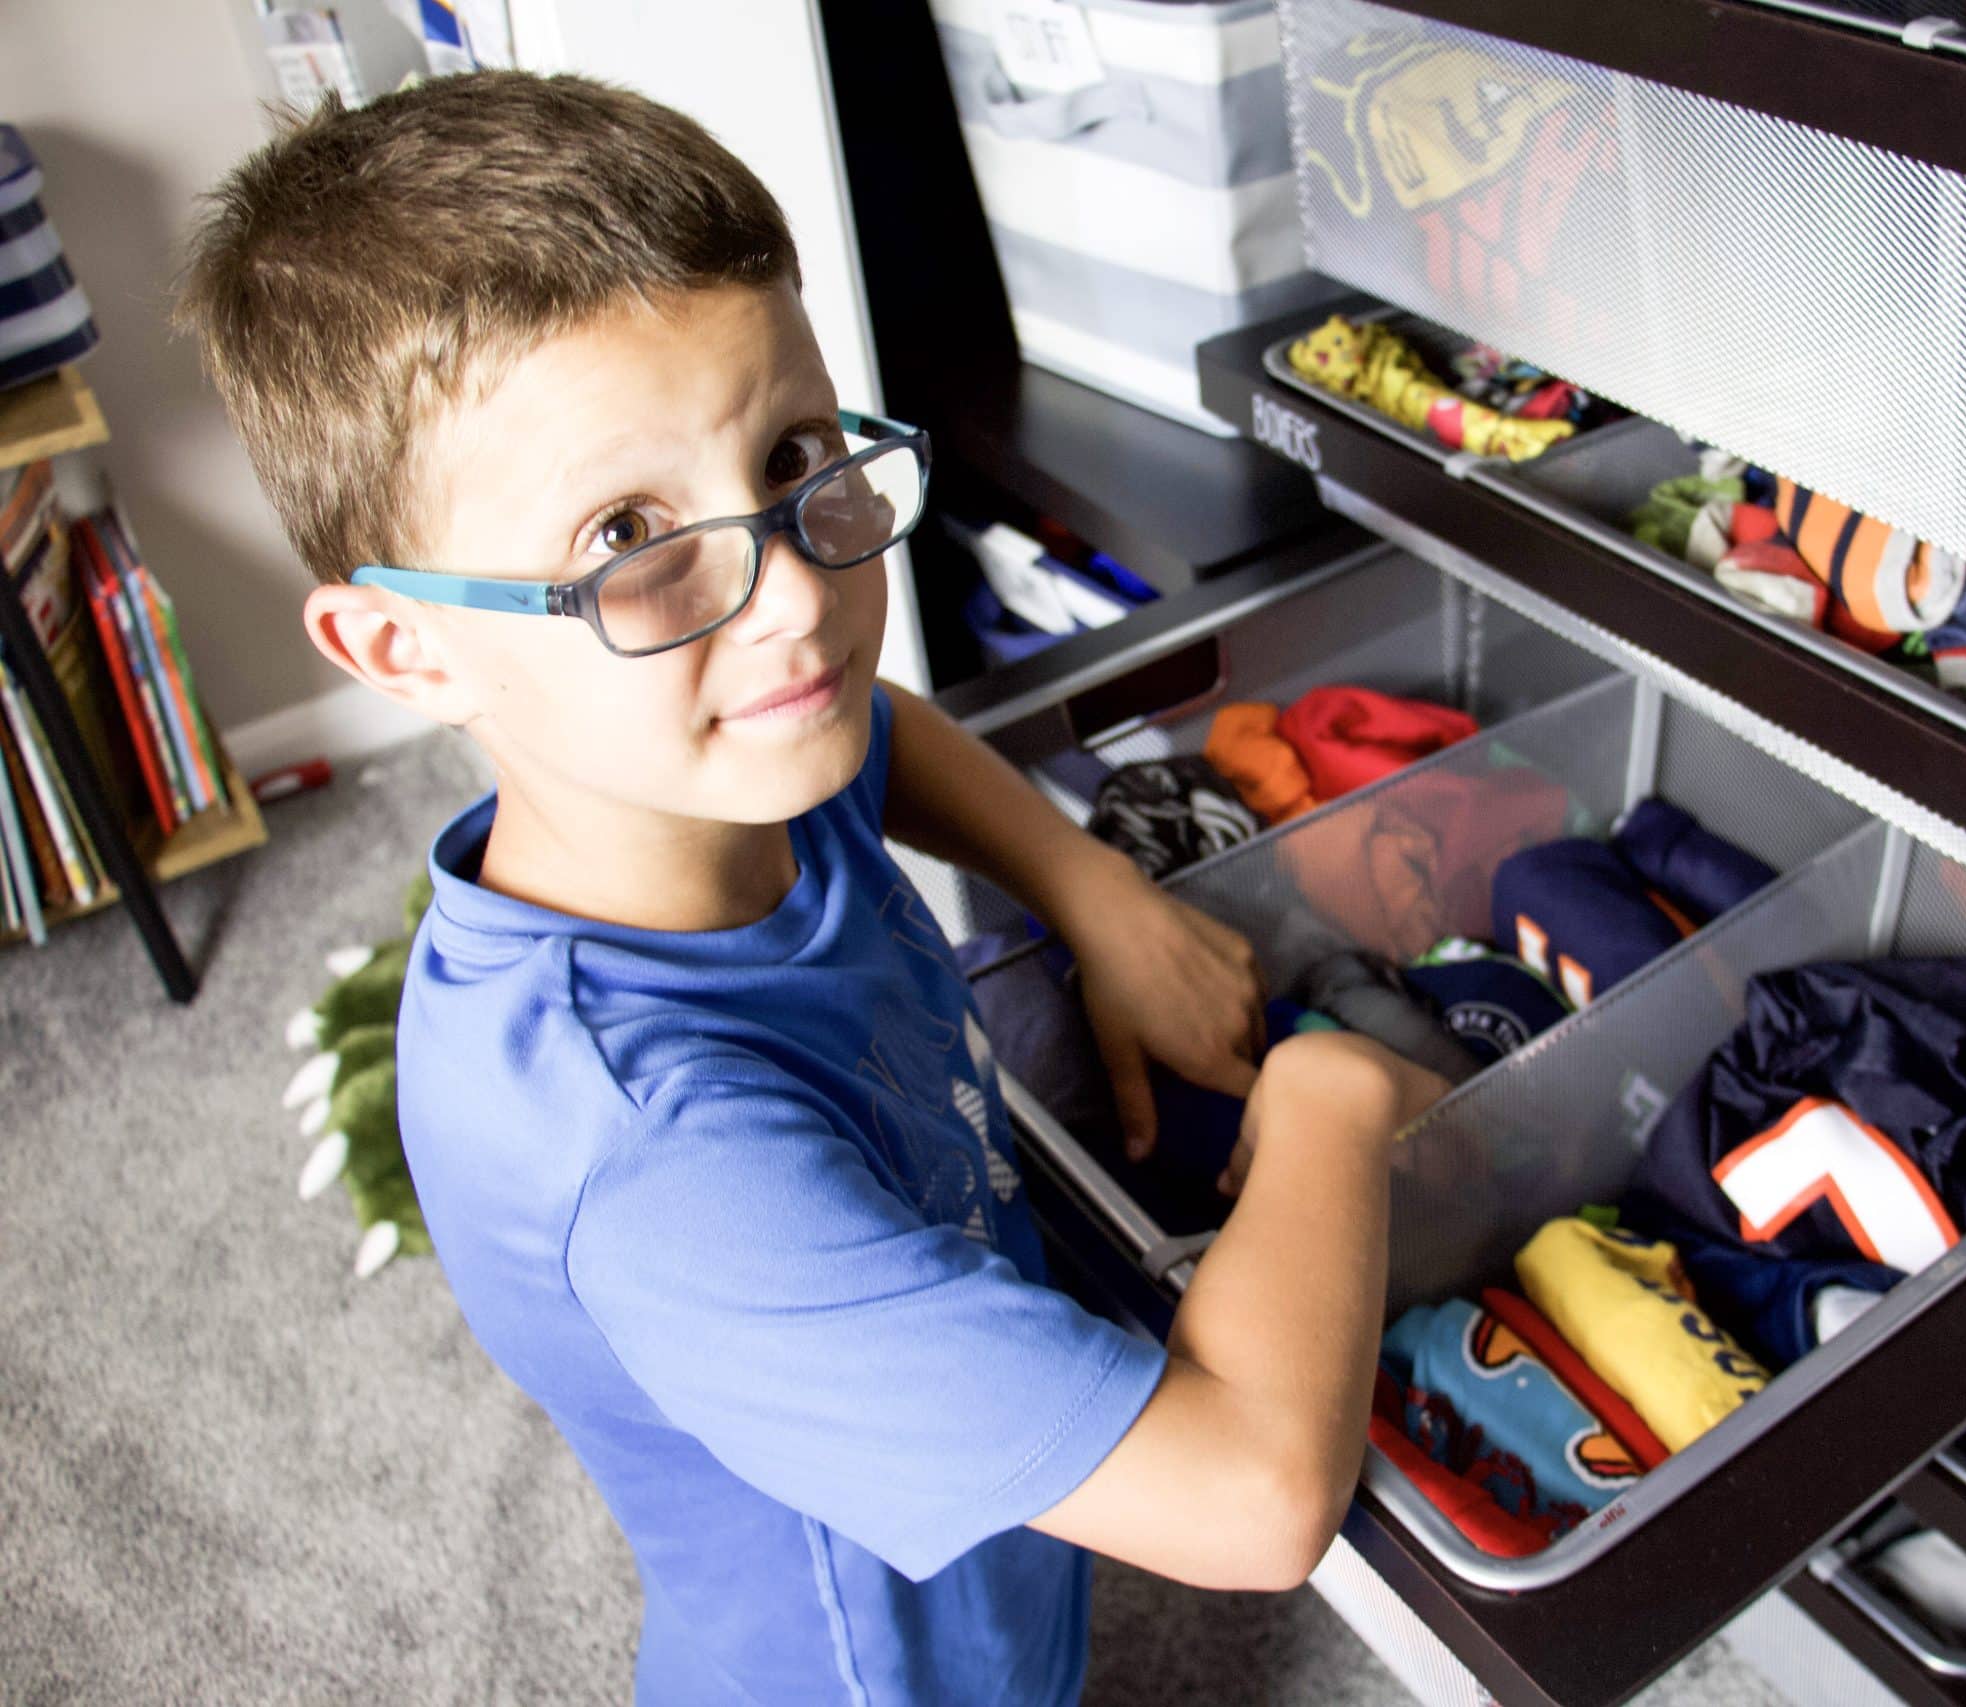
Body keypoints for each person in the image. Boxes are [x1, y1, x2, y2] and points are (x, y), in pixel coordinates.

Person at [176, 71, 1446, 1705]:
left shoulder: (705, 759)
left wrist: (1092, 889)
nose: (790, 601)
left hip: (988, 1546)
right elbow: (1257, 1501)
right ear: (404, 649)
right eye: (628, 532)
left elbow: (882, 733)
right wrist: (1331, 1101)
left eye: (793, 452)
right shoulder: (664, 1173)